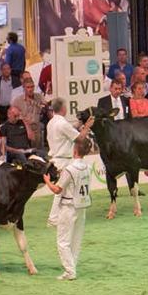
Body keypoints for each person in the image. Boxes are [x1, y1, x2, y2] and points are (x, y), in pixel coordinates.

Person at [43, 138, 93, 281]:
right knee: (76, 240)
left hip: (69, 207)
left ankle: (70, 271)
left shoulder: (70, 169)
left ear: (75, 150)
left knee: (63, 241)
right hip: (81, 206)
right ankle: (72, 267)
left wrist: (47, 181)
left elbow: (57, 189)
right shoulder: (88, 167)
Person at [46, 98, 94, 226]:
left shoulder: (51, 122)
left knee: (63, 190)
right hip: (63, 160)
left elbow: (69, 131)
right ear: (63, 108)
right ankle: (53, 218)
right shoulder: (62, 123)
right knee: (61, 191)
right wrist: (87, 127)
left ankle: (56, 217)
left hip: (56, 158)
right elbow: (80, 139)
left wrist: (80, 125)